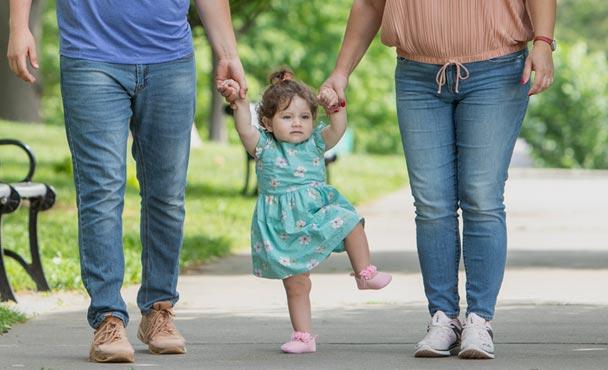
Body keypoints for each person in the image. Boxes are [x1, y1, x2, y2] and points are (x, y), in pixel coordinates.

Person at [7, 0, 247, 363]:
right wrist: (19, 25)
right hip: (91, 55)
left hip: (170, 57)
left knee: (167, 195)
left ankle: (159, 311)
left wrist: (227, 52)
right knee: (101, 192)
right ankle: (107, 317)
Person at [320, 0, 556, 360]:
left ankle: (479, 319)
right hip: (417, 75)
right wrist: (341, 71)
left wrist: (542, 41)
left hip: (498, 70)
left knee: (481, 196)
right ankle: (443, 318)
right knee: (431, 203)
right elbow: (370, 4)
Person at [218, 69, 392, 354]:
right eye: (287, 117)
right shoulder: (263, 147)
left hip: (315, 214)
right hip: (282, 225)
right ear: (268, 123)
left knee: (350, 221)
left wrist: (334, 106)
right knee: (296, 284)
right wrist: (238, 104)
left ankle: (364, 272)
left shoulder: (315, 143)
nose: (297, 123)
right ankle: (303, 336)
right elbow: (244, 129)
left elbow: (338, 128)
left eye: (304, 117)